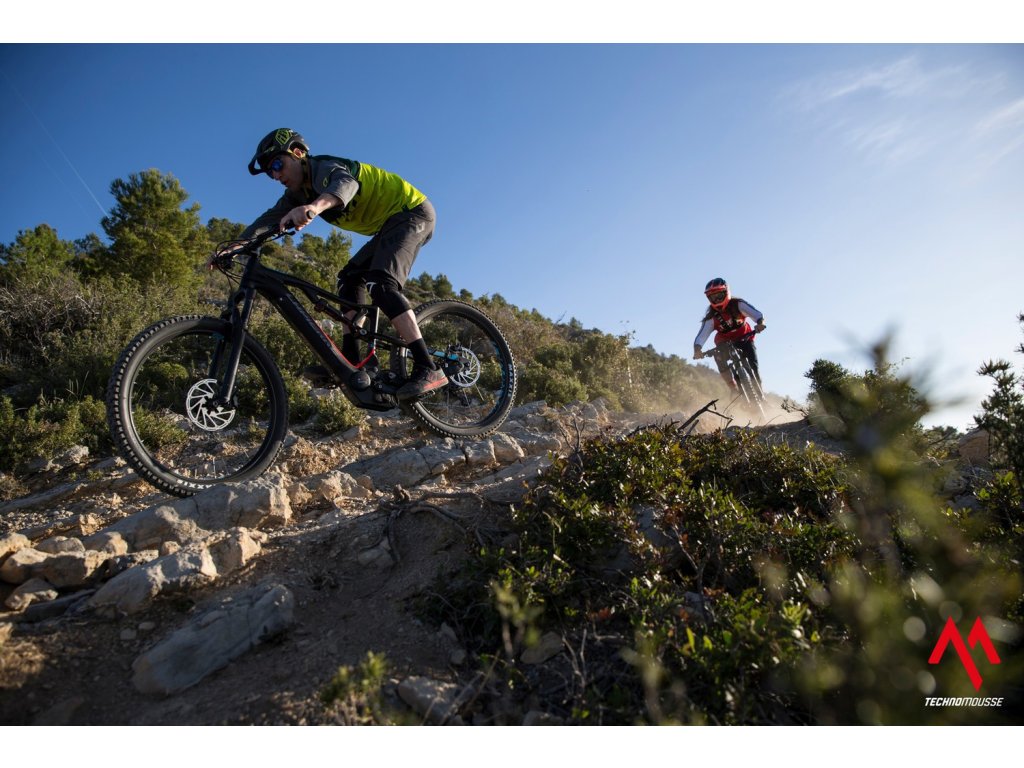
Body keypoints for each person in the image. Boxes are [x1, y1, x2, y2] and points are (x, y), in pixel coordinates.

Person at [237, 128, 446, 400]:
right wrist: (232, 248)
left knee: (380, 284)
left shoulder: (323, 168)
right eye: (269, 173)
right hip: (389, 226)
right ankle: (355, 360)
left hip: (412, 212)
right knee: (349, 280)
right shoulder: (296, 195)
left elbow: (346, 184)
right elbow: (265, 222)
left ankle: (428, 367)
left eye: (277, 165)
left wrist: (315, 207)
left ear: (298, 153)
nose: (275, 176)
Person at [692, 277, 766, 388]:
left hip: (745, 338)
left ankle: (760, 393)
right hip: (724, 343)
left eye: (719, 295)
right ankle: (732, 387)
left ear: (726, 292)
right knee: (718, 357)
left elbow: (757, 315)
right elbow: (701, 336)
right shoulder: (711, 317)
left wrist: (760, 323)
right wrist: (697, 350)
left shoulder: (738, 304)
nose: (717, 300)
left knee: (754, 366)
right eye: (713, 297)